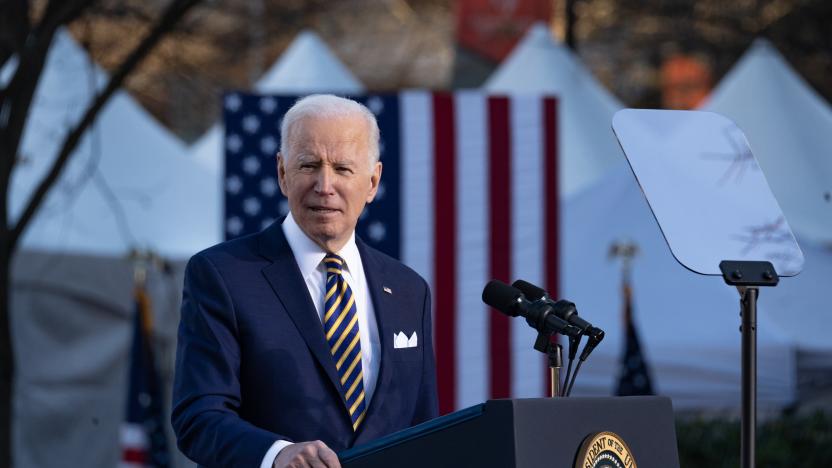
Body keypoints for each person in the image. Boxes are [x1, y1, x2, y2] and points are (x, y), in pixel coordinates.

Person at [172, 94, 438, 468]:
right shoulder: (222, 275)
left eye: (343, 169)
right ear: (282, 173)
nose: (324, 185)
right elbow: (198, 417)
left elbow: (424, 430)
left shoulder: (409, 290)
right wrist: (277, 454)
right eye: (309, 165)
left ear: (373, 181)